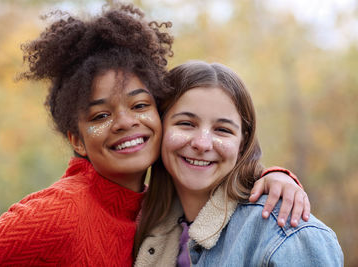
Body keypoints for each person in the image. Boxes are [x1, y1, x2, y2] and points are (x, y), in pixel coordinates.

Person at [0, 4, 308, 266]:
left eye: (139, 106)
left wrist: (274, 176)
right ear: (77, 140)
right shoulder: (58, 213)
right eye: (100, 115)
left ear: (161, 116)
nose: (124, 122)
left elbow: (212, 168)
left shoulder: (160, 202)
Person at [134, 61, 343, 266]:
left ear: (242, 143)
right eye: (186, 124)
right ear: (159, 128)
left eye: (222, 130)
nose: (202, 143)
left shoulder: (284, 233)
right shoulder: (148, 226)